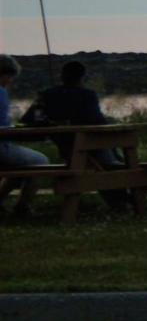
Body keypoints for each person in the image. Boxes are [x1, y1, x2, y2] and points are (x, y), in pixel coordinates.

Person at [26, 60, 129, 210]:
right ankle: (121, 201)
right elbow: (99, 122)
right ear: (82, 77)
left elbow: (30, 119)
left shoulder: (48, 95)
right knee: (110, 162)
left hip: (66, 148)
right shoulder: (87, 95)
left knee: (107, 161)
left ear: (61, 76)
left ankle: (120, 200)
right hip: (90, 148)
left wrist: (50, 121)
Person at [0, 54, 49, 217]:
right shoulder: (1, 92)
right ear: (5, 74)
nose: (10, 81)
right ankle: (23, 207)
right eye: (10, 77)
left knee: (20, 167)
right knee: (41, 161)